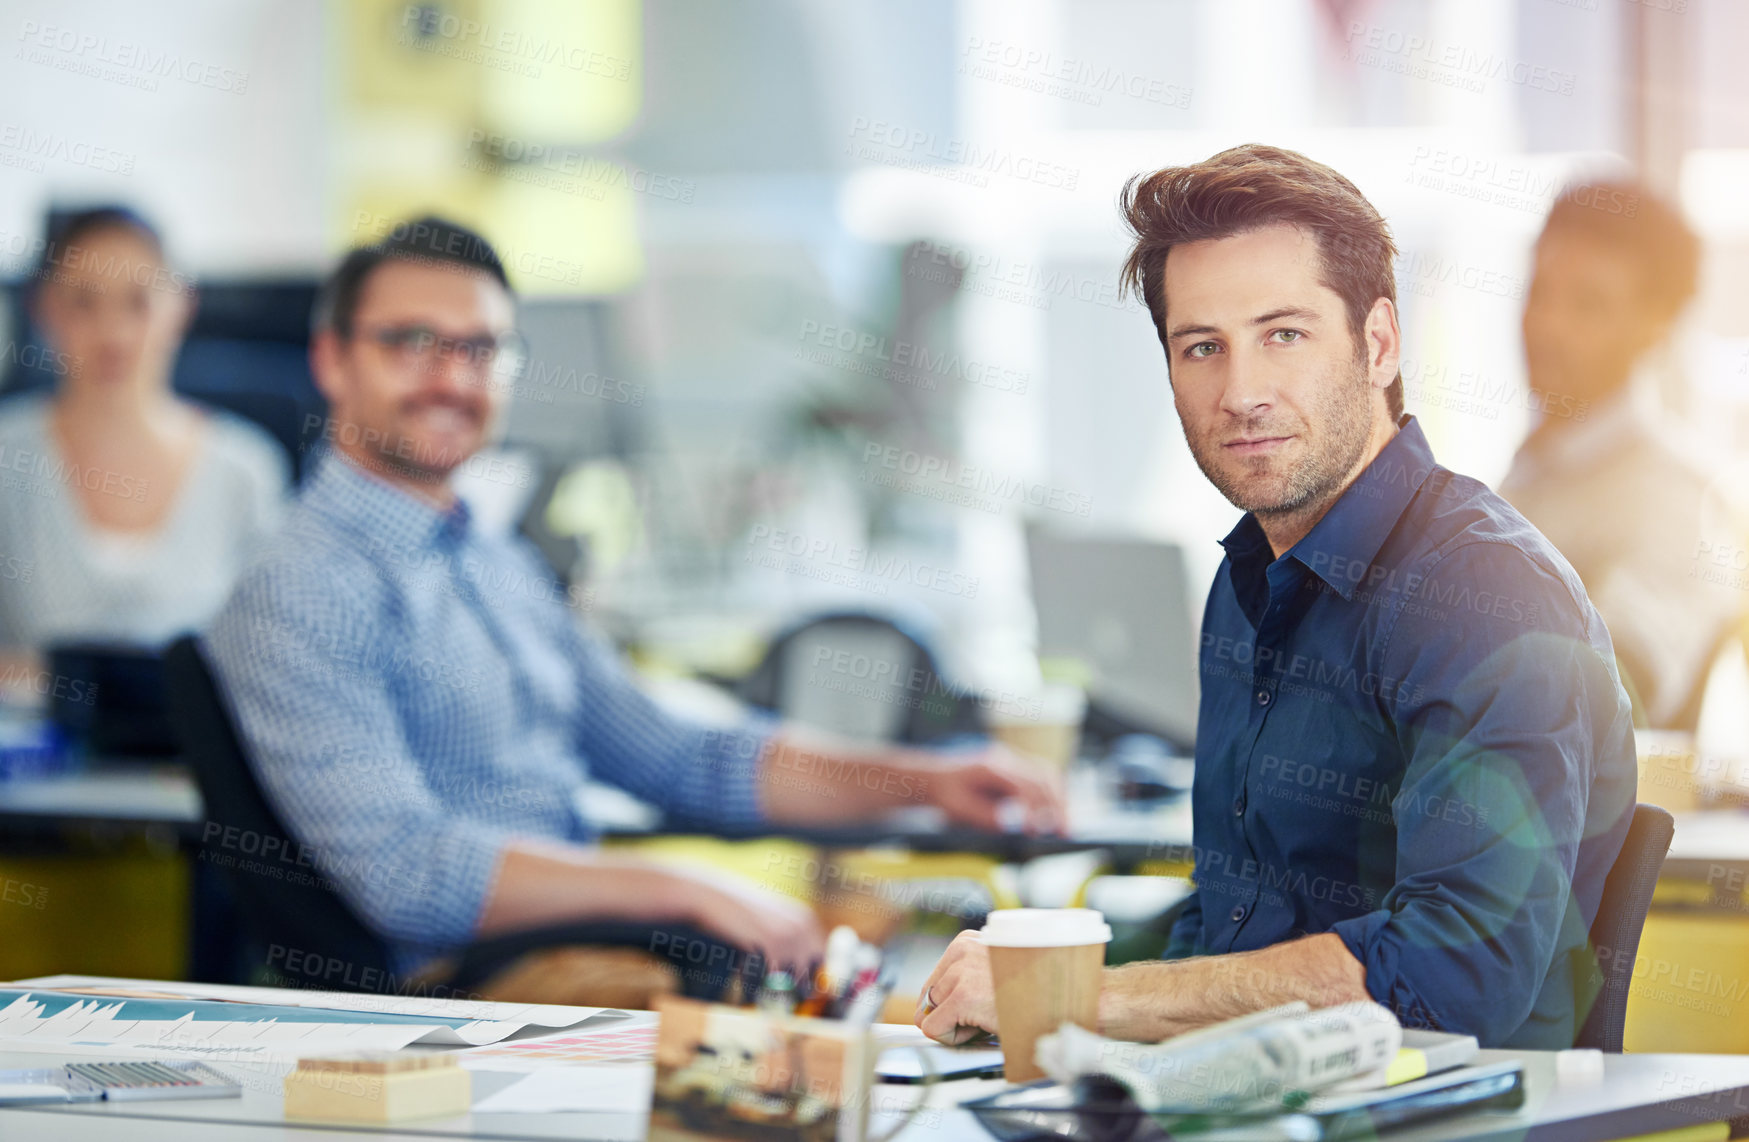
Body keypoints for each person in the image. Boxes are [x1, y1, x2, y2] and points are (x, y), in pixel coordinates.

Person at [203, 216, 1063, 1007]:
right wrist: (686, 888)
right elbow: (409, 872)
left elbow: (682, 759)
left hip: (579, 946)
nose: (451, 377)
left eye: (481, 349)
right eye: (410, 343)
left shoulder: (492, 561)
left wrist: (925, 782)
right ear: (331, 360)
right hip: (465, 989)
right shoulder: (303, 585)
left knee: (908, 975)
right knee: (819, 1032)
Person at [917, 145, 1635, 1050]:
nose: (1241, 393)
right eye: (1202, 348)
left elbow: (1460, 974)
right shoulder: (1249, 577)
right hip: (1247, 1095)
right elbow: (1230, 919)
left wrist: (1064, 998)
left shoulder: (1484, 592)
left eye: (1282, 335)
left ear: (1377, 343)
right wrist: (1042, 986)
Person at [1500, 182, 1743, 729]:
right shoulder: (1534, 469)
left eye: (1589, 303)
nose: (1546, 324)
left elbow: (1616, 686)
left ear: (1655, 327)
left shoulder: (1680, 497)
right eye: (1540, 290)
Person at [0, 207, 287, 656]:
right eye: (84, 303)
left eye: (138, 302)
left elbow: (269, 650)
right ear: (44, 310)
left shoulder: (245, 470)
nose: (112, 333)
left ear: (182, 307)